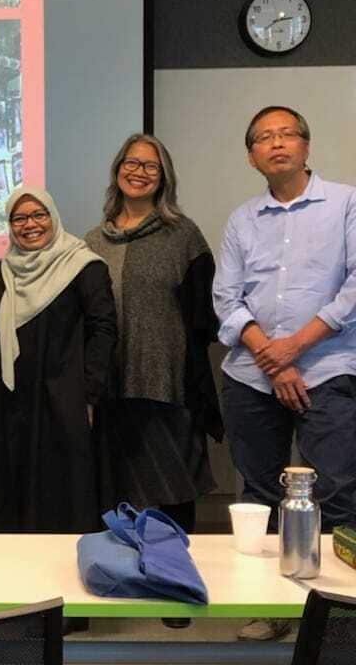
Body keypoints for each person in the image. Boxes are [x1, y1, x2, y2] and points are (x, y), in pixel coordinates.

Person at [213, 106, 356, 643]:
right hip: (251, 377)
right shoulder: (242, 219)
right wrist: (272, 359)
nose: (276, 144)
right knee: (257, 495)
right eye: (263, 138)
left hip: (329, 368)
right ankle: (270, 607)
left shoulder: (346, 203)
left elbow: (354, 287)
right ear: (251, 156)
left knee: (339, 492)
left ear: (305, 145)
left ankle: (340, 619)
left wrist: (294, 347)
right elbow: (226, 298)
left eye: (286, 134)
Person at [84, 134, 220, 535]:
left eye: (150, 166)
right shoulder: (92, 241)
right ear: (117, 169)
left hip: (166, 387)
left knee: (169, 497)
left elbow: (204, 315)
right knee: (113, 498)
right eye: (131, 162)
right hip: (109, 390)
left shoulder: (183, 236)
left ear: (164, 178)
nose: (139, 172)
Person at [0, 187, 117, 534]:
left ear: (53, 217)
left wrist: (90, 393)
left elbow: (104, 329)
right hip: (9, 399)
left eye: (39, 215)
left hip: (64, 396)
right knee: (9, 482)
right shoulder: (2, 272)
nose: (30, 225)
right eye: (19, 218)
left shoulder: (84, 267)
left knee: (61, 484)